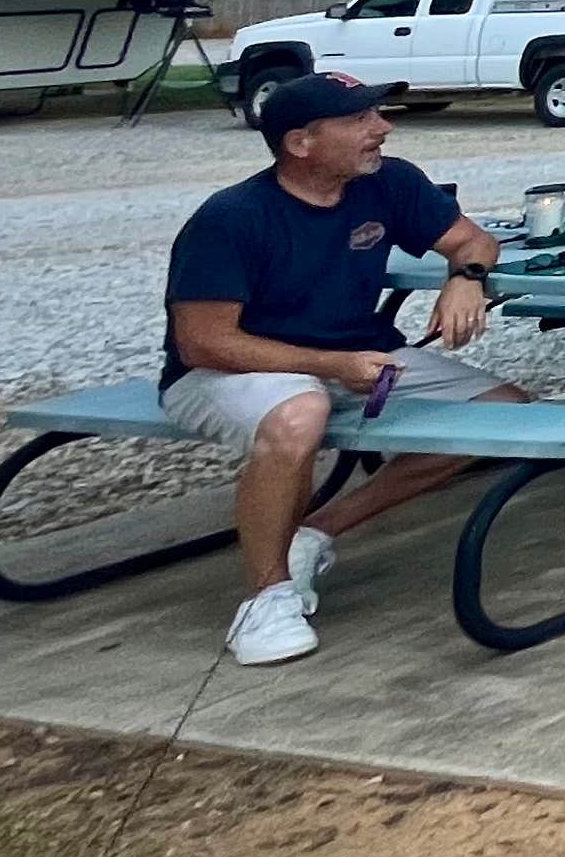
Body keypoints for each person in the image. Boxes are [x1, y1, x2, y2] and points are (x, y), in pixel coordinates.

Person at [162, 70, 525, 665]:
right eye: (359, 120)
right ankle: (266, 599)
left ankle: (317, 532)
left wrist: (466, 279)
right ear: (300, 144)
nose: (382, 128)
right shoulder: (231, 217)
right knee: (301, 412)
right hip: (229, 372)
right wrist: (331, 365)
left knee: (504, 412)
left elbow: (474, 240)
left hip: (356, 360)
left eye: (377, 115)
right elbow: (203, 343)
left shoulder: (389, 182)